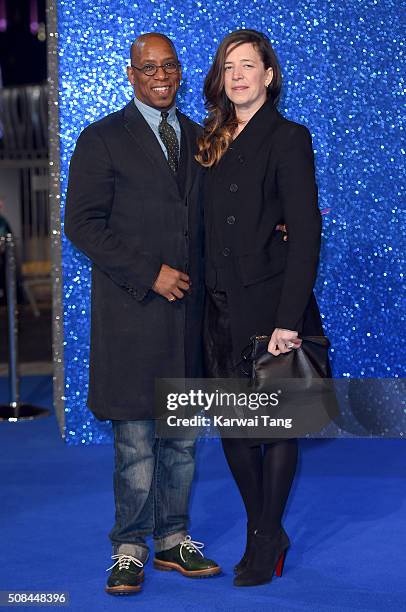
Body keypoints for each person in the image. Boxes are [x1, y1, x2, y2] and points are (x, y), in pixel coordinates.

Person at [65, 32, 220, 596]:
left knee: (181, 441)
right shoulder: (101, 139)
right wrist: (148, 272)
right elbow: (81, 225)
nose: (160, 75)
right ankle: (128, 548)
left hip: (187, 321)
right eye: (147, 67)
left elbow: (216, 217)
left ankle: (173, 539)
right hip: (133, 315)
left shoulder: (202, 140)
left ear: (180, 73)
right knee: (135, 443)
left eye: (169, 66)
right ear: (131, 74)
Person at [196, 29, 325, 587]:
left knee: (275, 428)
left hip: (270, 303)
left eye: (249, 65)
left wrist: (287, 321)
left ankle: (267, 533)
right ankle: (262, 526)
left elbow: (306, 231)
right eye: (229, 67)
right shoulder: (209, 140)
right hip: (217, 304)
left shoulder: (288, 137)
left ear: (269, 76)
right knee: (233, 427)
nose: (239, 75)